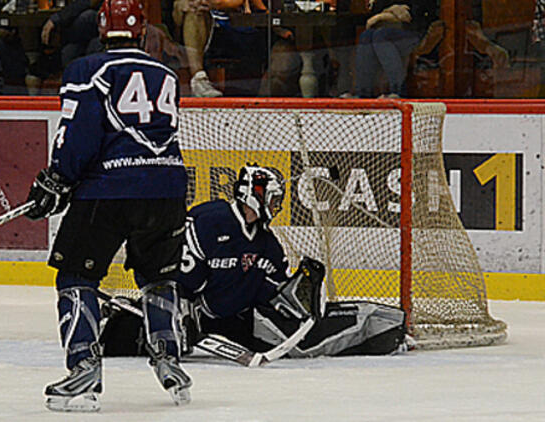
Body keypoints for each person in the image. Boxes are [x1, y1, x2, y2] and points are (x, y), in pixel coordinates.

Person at [25, 0, 190, 412]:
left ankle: (83, 370)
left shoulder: (88, 69)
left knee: (76, 278)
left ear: (101, 28)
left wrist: (58, 177)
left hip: (110, 190)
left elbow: (78, 134)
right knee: (158, 277)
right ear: (142, 30)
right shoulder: (166, 74)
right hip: (168, 189)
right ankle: (170, 361)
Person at [99, 166, 408, 360]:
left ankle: (383, 327)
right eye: (273, 200)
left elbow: (279, 294)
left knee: (302, 342)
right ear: (254, 195)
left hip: (232, 321)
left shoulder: (268, 244)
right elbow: (167, 269)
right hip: (189, 311)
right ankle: (116, 320)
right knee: (163, 341)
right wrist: (181, 308)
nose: (276, 206)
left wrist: (304, 289)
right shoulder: (209, 221)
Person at [353, 1, 437, 98]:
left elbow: (410, 16)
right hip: (390, 32)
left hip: (417, 34)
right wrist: (391, 10)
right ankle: (363, 93)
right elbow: (372, 17)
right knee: (366, 36)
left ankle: (398, 91)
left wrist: (381, 17)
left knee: (381, 36)